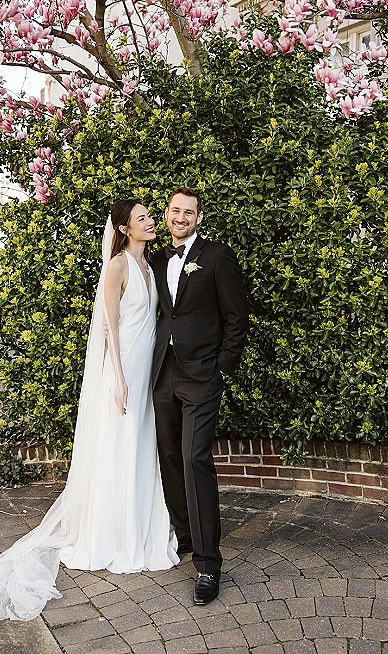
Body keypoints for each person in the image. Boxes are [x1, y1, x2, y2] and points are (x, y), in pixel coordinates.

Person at [0, 199, 179, 622]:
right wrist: (120, 378)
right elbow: (109, 327)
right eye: (142, 218)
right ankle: (114, 535)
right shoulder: (118, 268)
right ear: (125, 229)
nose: (150, 221)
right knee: (120, 448)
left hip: (150, 371)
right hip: (123, 372)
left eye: (148, 216)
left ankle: (143, 529)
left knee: (144, 447)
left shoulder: (151, 265)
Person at [151, 188, 249, 606]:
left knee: (195, 458)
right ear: (167, 214)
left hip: (202, 376)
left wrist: (221, 369)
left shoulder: (217, 257)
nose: (181, 217)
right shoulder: (155, 259)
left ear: (199, 218)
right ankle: (187, 538)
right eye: (175, 211)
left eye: (189, 212)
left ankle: (209, 564)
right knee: (170, 457)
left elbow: (237, 317)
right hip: (162, 374)